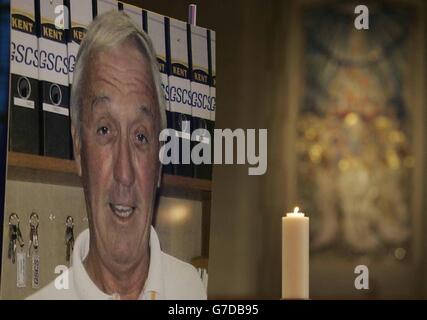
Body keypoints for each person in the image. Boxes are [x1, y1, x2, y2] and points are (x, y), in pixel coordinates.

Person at [28, 10, 206, 300]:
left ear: (159, 160)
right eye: (104, 130)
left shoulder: (195, 292)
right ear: (78, 148)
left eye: (140, 136)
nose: (125, 173)